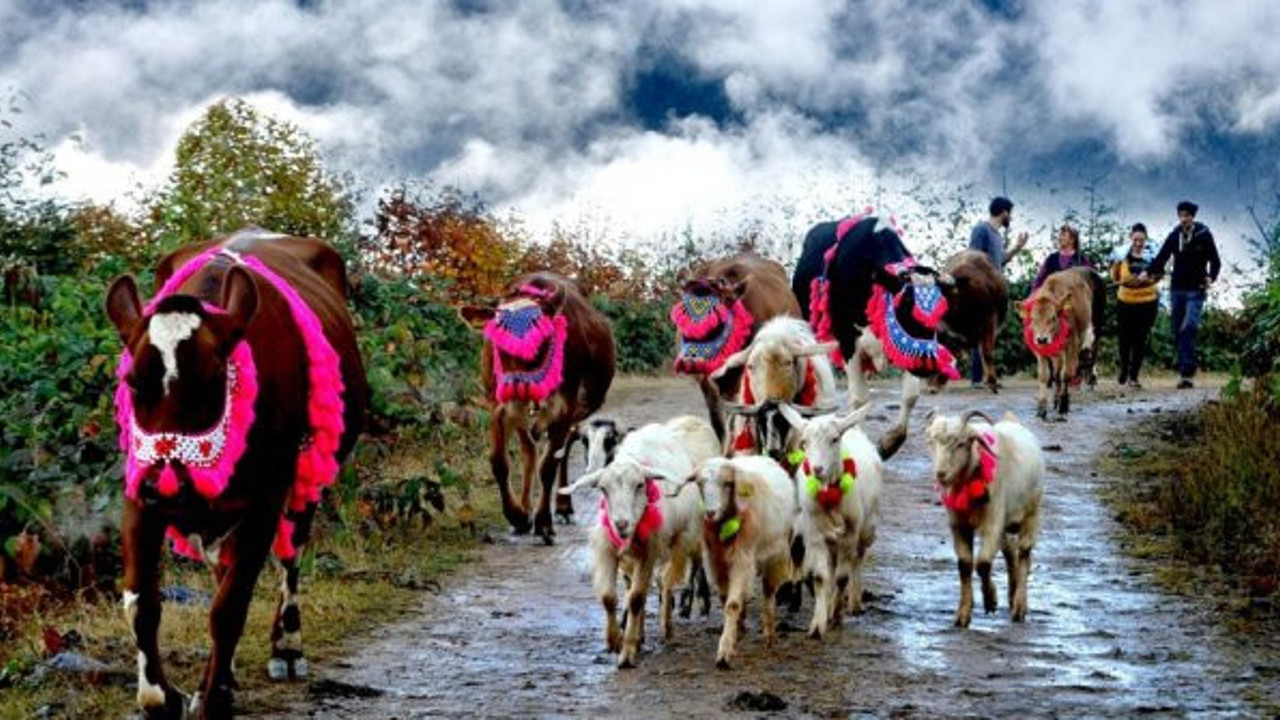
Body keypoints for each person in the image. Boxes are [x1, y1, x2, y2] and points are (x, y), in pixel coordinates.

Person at [1140, 200, 1221, 389]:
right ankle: (1186, 367)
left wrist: (1211, 277)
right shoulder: (1174, 236)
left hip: (1196, 288)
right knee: (1177, 330)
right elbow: (1161, 258)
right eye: (1181, 215)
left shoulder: (1204, 235)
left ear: (1193, 217)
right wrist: (1147, 272)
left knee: (1189, 327)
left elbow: (1216, 261)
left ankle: (1187, 373)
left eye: (1187, 215)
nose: (1183, 219)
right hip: (1177, 289)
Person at [967, 196, 1028, 387]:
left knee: (990, 335)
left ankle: (987, 376)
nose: (1011, 218)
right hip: (981, 291)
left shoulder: (997, 235)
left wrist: (1017, 248)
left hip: (995, 291)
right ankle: (977, 378)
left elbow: (998, 261)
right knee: (981, 332)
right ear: (1004, 212)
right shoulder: (981, 230)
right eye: (1011, 214)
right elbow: (972, 260)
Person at [1111, 223, 1158, 388]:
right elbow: (1114, 276)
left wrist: (1146, 280)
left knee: (1140, 339)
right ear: (1131, 238)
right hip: (1125, 301)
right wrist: (1126, 282)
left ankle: (1134, 376)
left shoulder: (1153, 254)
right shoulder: (1122, 255)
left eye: (1142, 240)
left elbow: (1159, 275)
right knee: (1124, 339)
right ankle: (1124, 368)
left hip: (1147, 301)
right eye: (1136, 239)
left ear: (1146, 239)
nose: (1139, 243)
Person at [1032, 224, 1092, 290]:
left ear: (1072, 240)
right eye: (1060, 235)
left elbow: (1089, 281)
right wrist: (1035, 293)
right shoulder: (1051, 258)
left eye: (1063, 235)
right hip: (1053, 296)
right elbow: (1040, 280)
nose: (1060, 238)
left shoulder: (1082, 259)